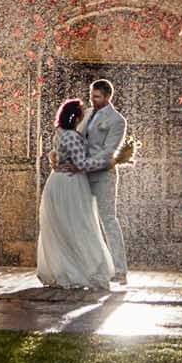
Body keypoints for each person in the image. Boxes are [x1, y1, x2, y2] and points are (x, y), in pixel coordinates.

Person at [35, 97, 114, 291]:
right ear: (75, 116)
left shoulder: (61, 134)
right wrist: (107, 162)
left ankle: (68, 269)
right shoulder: (71, 136)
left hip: (59, 181)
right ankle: (85, 271)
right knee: (79, 226)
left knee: (64, 228)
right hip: (69, 185)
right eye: (81, 111)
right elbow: (81, 164)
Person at [79, 78, 129, 286]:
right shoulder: (88, 113)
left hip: (103, 175)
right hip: (82, 174)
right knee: (84, 220)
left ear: (108, 97)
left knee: (108, 219)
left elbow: (110, 151)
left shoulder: (117, 120)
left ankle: (119, 270)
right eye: (91, 95)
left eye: (97, 96)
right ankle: (90, 267)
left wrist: (84, 164)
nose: (93, 100)